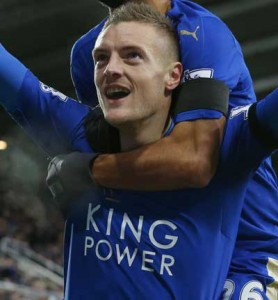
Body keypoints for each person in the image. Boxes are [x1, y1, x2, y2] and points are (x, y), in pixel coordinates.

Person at [48, 3, 278, 299]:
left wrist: (87, 170)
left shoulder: (202, 33)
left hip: (248, 252)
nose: (111, 66)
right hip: (167, 241)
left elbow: (194, 160)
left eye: (132, 56)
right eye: (103, 59)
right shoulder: (87, 54)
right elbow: (127, 150)